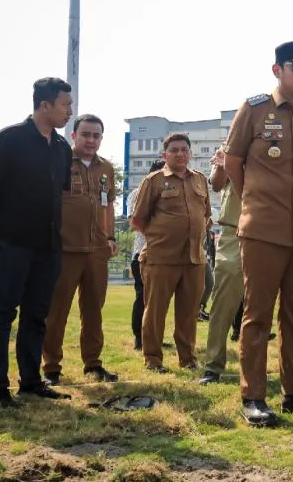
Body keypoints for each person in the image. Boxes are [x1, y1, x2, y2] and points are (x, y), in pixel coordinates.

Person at [223, 40, 293, 427]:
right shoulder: (253, 110)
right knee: (257, 316)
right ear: (277, 70)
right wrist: (255, 201)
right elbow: (234, 163)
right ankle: (253, 396)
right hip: (263, 230)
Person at [0, 77, 74, 407]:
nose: (69, 111)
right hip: (12, 241)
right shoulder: (9, 139)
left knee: (36, 314)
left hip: (48, 246)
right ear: (44, 105)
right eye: (65, 105)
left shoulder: (62, 148)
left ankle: (31, 381)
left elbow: (57, 195)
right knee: (2, 313)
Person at [42, 114, 119, 385]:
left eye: (96, 135)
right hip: (65, 248)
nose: (91, 140)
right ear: (73, 136)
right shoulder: (60, 161)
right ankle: (51, 367)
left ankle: (93, 364)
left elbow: (108, 205)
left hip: (97, 251)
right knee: (57, 310)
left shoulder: (106, 169)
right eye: (86, 134)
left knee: (94, 310)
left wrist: (110, 237)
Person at [131, 133, 211, 373]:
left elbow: (205, 215)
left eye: (184, 149)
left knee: (188, 314)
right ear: (165, 155)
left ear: (190, 152)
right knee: (155, 312)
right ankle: (153, 360)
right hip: (161, 258)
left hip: (194, 258)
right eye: (174, 150)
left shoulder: (200, 180)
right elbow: (138, 220)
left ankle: (188, 359)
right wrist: (162, 237)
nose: (180, 153)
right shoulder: (153, 181)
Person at [199, 148, 245, 385]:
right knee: (223, 301)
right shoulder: (229, 146)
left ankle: (254, 365)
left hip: (268, 227)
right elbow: (216, 185)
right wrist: (222, 162)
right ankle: (213, 366)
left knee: (263, 303)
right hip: (232, 230)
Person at [127, 160, 166, 350]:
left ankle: (154, 337)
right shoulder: (138, 193)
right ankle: (139, 339)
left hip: (166, 255)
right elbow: (134, 223)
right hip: (144, 253)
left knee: (158, 301)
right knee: (142, 297)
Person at [197, 228, 216, 322]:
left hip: (203, 258)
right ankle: (196, 311)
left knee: (210, 282)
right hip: (195, 257)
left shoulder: (208, 232)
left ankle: (200, 308)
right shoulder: (199, 227)